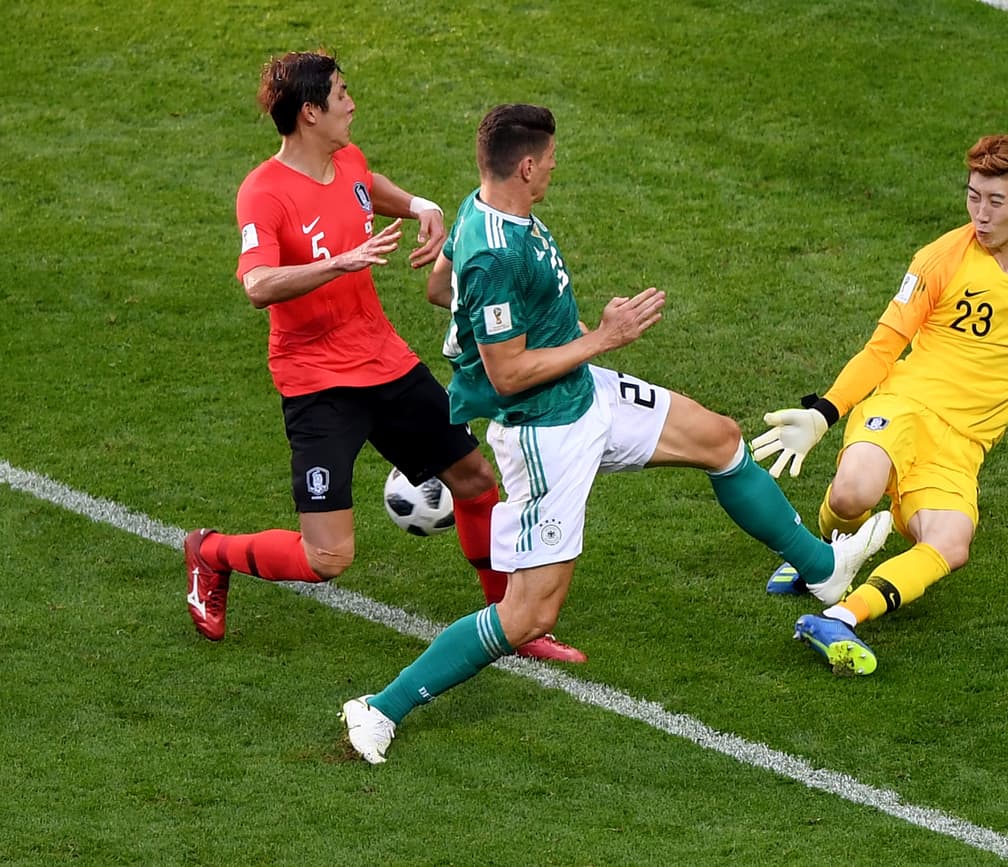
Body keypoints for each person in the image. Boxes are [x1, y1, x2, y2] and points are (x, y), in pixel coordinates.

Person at [340, 103, 891, 764]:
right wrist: (605, 336)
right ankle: (379, 707)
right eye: (547, 161)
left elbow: (440, 291)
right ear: (523, 165)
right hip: (546, 433)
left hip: (582, 389)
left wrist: (496, 313)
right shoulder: (494, 250)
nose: (552, 170)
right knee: (528, 618)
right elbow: (508, 372)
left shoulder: (483, 209)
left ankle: (823, 569)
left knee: (718, 438)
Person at [184, 52, 584, 663]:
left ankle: (514, 624)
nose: (351, 104)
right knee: (328, 559)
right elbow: (257, 284)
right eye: (341, 94)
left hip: (385, 363)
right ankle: (210, 554)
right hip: (318, 385)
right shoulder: (262, 193)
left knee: (476, 482)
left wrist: (423, 205)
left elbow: (367, 187)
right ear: (310, 112)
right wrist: (335, 265)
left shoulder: (346, 159)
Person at [751, 134, 1008, 677]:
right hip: (905, 406)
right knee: (854, 491)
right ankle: (818, 556)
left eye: (995, 201)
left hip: (964, 444)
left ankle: (839, 617)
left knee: (952, 544)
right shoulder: (939, 259)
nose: (980, 213)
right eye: (972, 196)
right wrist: (824, 412)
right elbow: (884, 346)